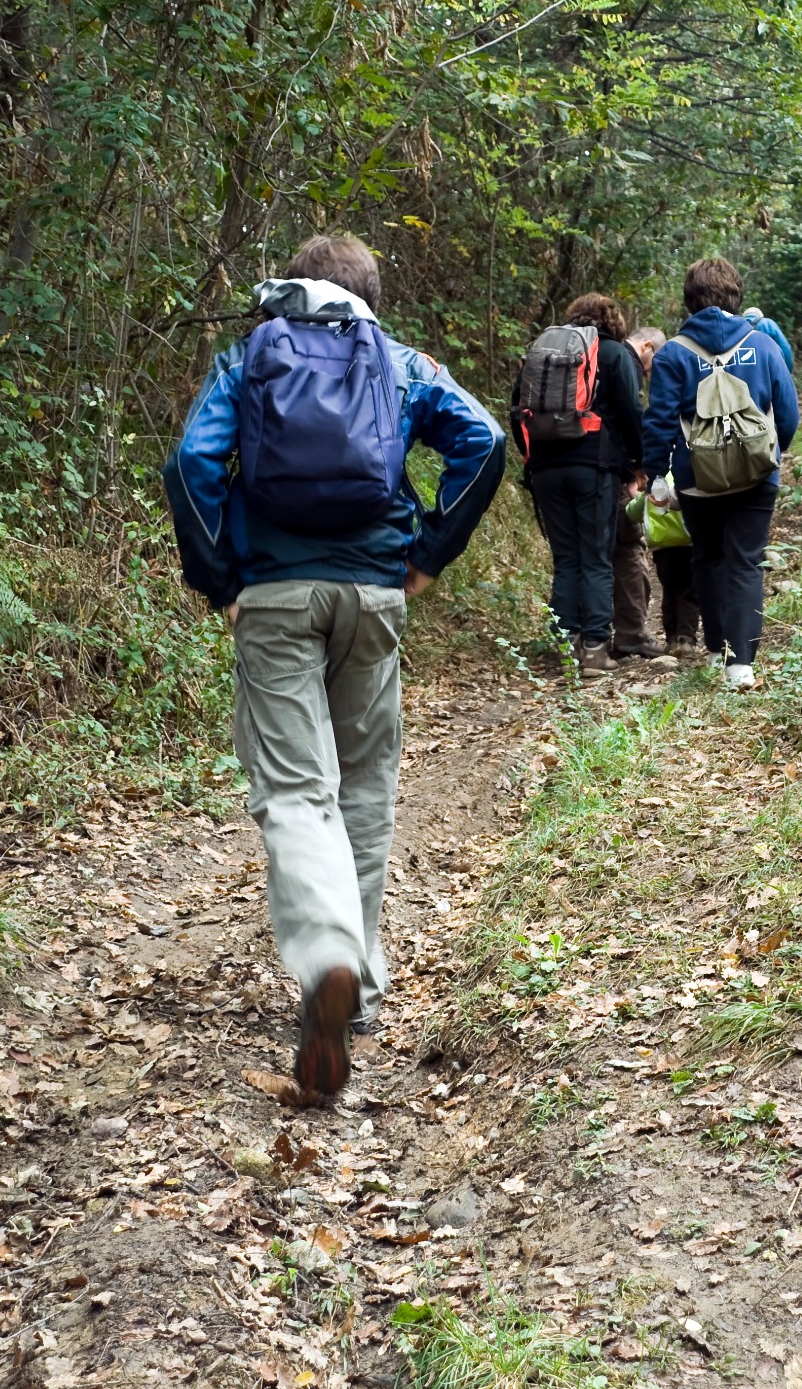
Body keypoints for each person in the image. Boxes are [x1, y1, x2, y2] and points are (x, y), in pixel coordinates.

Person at [163, 235, 505, 1096]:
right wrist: (427, 554)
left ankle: (324, 958)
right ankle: (357, 983)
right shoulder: (396, 361)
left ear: (292, 292)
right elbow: (483, 439)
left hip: (275, 596)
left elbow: (191, 464)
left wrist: (222, 581)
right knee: (363, 787)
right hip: (375, 596)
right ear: (367, 297)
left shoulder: (248, 357)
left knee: (292, 790)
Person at [643, 257, 799, 691]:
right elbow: (787, 413)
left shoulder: (674, 353)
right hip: (755, 476)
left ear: (689, 300)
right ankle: (741, 667)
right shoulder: (763, 345)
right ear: (736, 294)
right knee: (746, 563)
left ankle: (715, 650)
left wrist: (657, 475)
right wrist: (770, 455)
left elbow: (657, 421)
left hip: (696, 476)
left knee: (707, 559)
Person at [511, 293, 644, 674]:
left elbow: (516, 407)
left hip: (545, 469)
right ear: (612, 321)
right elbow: (632, 412)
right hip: (593, 465)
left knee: (565, 557)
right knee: (596, 557)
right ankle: (594, 650)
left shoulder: (542, 351)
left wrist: (531, 457)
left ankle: (565, 645)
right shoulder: (613, 353)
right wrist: (638, 462)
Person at [611, 327, 667, 659]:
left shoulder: (591, 357)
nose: (648, 376)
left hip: (561, 468)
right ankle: (632, 632)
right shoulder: (623, 362)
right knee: (629, 546)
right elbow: (630, 417)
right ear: (646, 346)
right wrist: (638, 467)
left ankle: (581, 636)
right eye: (651, 366)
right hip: (612, 473)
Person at [625, 479, 699, 656]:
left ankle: (671, 638)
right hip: (688, 543)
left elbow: (632, 513)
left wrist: (637, 495)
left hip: (662, 546)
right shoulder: (685, 479)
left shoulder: (651, 484)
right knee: (688, 593)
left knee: (670, 593)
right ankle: (686, 638)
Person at [743, 306, 794, 372]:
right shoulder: (768, 324)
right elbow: (785, 348)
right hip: (771, 371)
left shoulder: (740, 328)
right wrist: (787, 370)